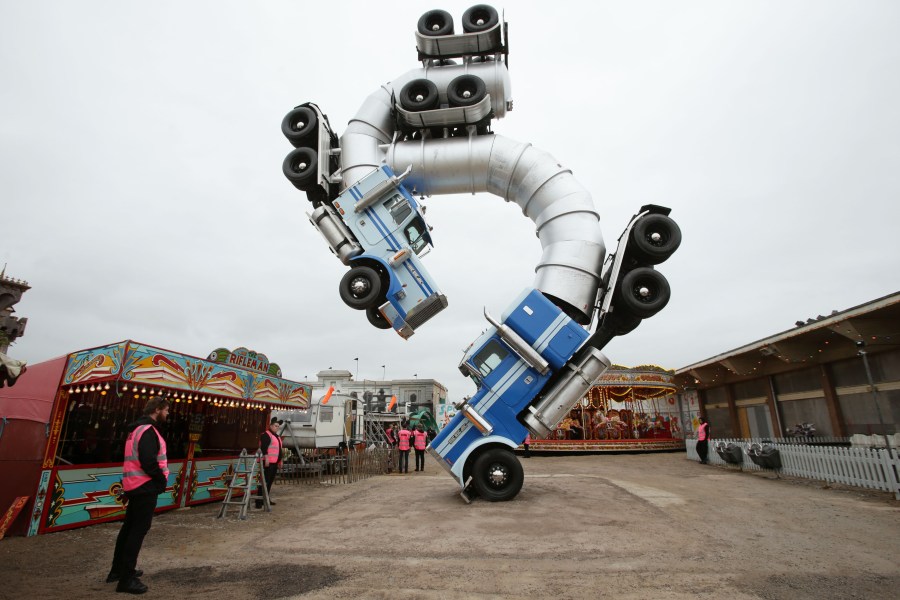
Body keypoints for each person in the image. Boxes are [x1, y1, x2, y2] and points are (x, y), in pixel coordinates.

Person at [107, 397, 170, 595]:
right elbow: (148, 460)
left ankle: (117, 570)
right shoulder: (148, 431)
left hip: (133, 484)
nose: (167, 413)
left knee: (128, 528)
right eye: (166, 410)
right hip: (144, 485)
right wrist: (160, 480)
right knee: (138, 530)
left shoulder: (135, 430)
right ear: (157, 409)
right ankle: (127, 579)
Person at [255, 417, 283, 508]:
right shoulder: (266, 435)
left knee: (269, 482)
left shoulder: (277, 436)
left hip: (274, 462)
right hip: (267, 462)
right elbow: (263, 448)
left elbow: (279, 450)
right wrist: (266, 457)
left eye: (278, 426)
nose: (277, 427)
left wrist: (280, 460)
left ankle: (266, 499)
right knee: (264, 482)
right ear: (270, 426)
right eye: (275, 426)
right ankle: (259, 501)